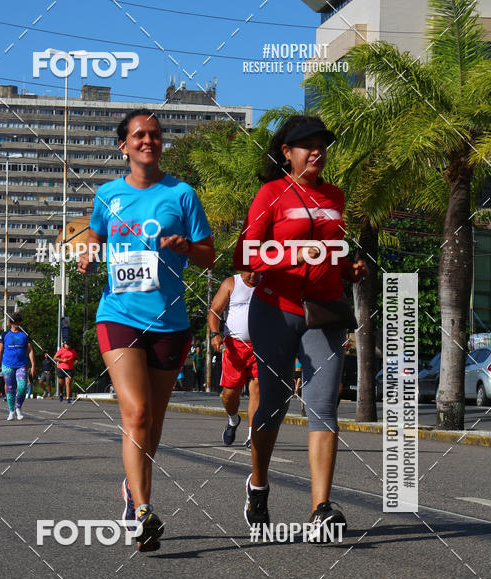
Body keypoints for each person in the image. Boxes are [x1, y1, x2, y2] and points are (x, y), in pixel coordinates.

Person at [78, 108, 213, 551]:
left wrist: (186, 246)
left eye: (154, 134)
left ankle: (131, 489)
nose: (148, 141)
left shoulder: (182, 194)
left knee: (152, 423)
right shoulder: (108, 195)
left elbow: (210, 256)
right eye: (139, 135)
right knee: (136, 413)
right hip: (119, 315)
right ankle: (142, 511)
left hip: (170, 321)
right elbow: (94, 233)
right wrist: (88, 251)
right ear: (124, 146)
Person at [233, 115, 367, 540]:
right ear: (286, 153)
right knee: (272, 405)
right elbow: (245, 255)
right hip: (275, 310)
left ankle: (320, 510)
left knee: (323, 405)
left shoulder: (334, 196)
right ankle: (258, 487)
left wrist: (348, 269)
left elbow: (334, 249)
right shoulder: (270, 194)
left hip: (323, 312)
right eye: (307, 145)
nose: (316, 152)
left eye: (322, 145)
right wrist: (293, 254)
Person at [208, 271, 260, 447]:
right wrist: (214, 334)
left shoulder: (268, 284)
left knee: (257, 390)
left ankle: (252, 435)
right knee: (230, 394)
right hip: (234, 347)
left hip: (260, 345)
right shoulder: (231, 283)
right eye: (249, 271)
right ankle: (233, 419)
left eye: (257, 271)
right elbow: (214, 311)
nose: (252, 275)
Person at [0, 313, 35, 420]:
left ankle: (18, 408)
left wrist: (33, 365)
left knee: (22, 387)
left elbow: (30, 350)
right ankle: (11, 411)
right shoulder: (4, 335)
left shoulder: (24, 334)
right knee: (10, 388)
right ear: (10, 322)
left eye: (18, 321)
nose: (17, 323)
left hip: (21, 365)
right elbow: (0, 351)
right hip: (7, 365)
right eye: (14, 321)